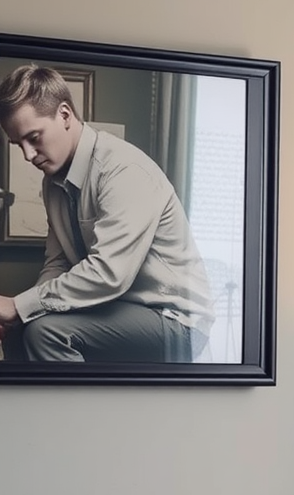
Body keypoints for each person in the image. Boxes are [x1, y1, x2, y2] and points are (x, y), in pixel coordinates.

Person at [0, 64, 215, 363]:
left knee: (46, 332)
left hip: (174, 319)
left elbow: (109, 275)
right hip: (116, 308)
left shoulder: (124, 170)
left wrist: (20, 305)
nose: (27, 155)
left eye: (34, 137)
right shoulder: (53, 183)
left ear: (64, 115)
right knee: (21, 331)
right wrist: (24, 313)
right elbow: (57, 264)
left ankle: (78, 412)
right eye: (17, 143)